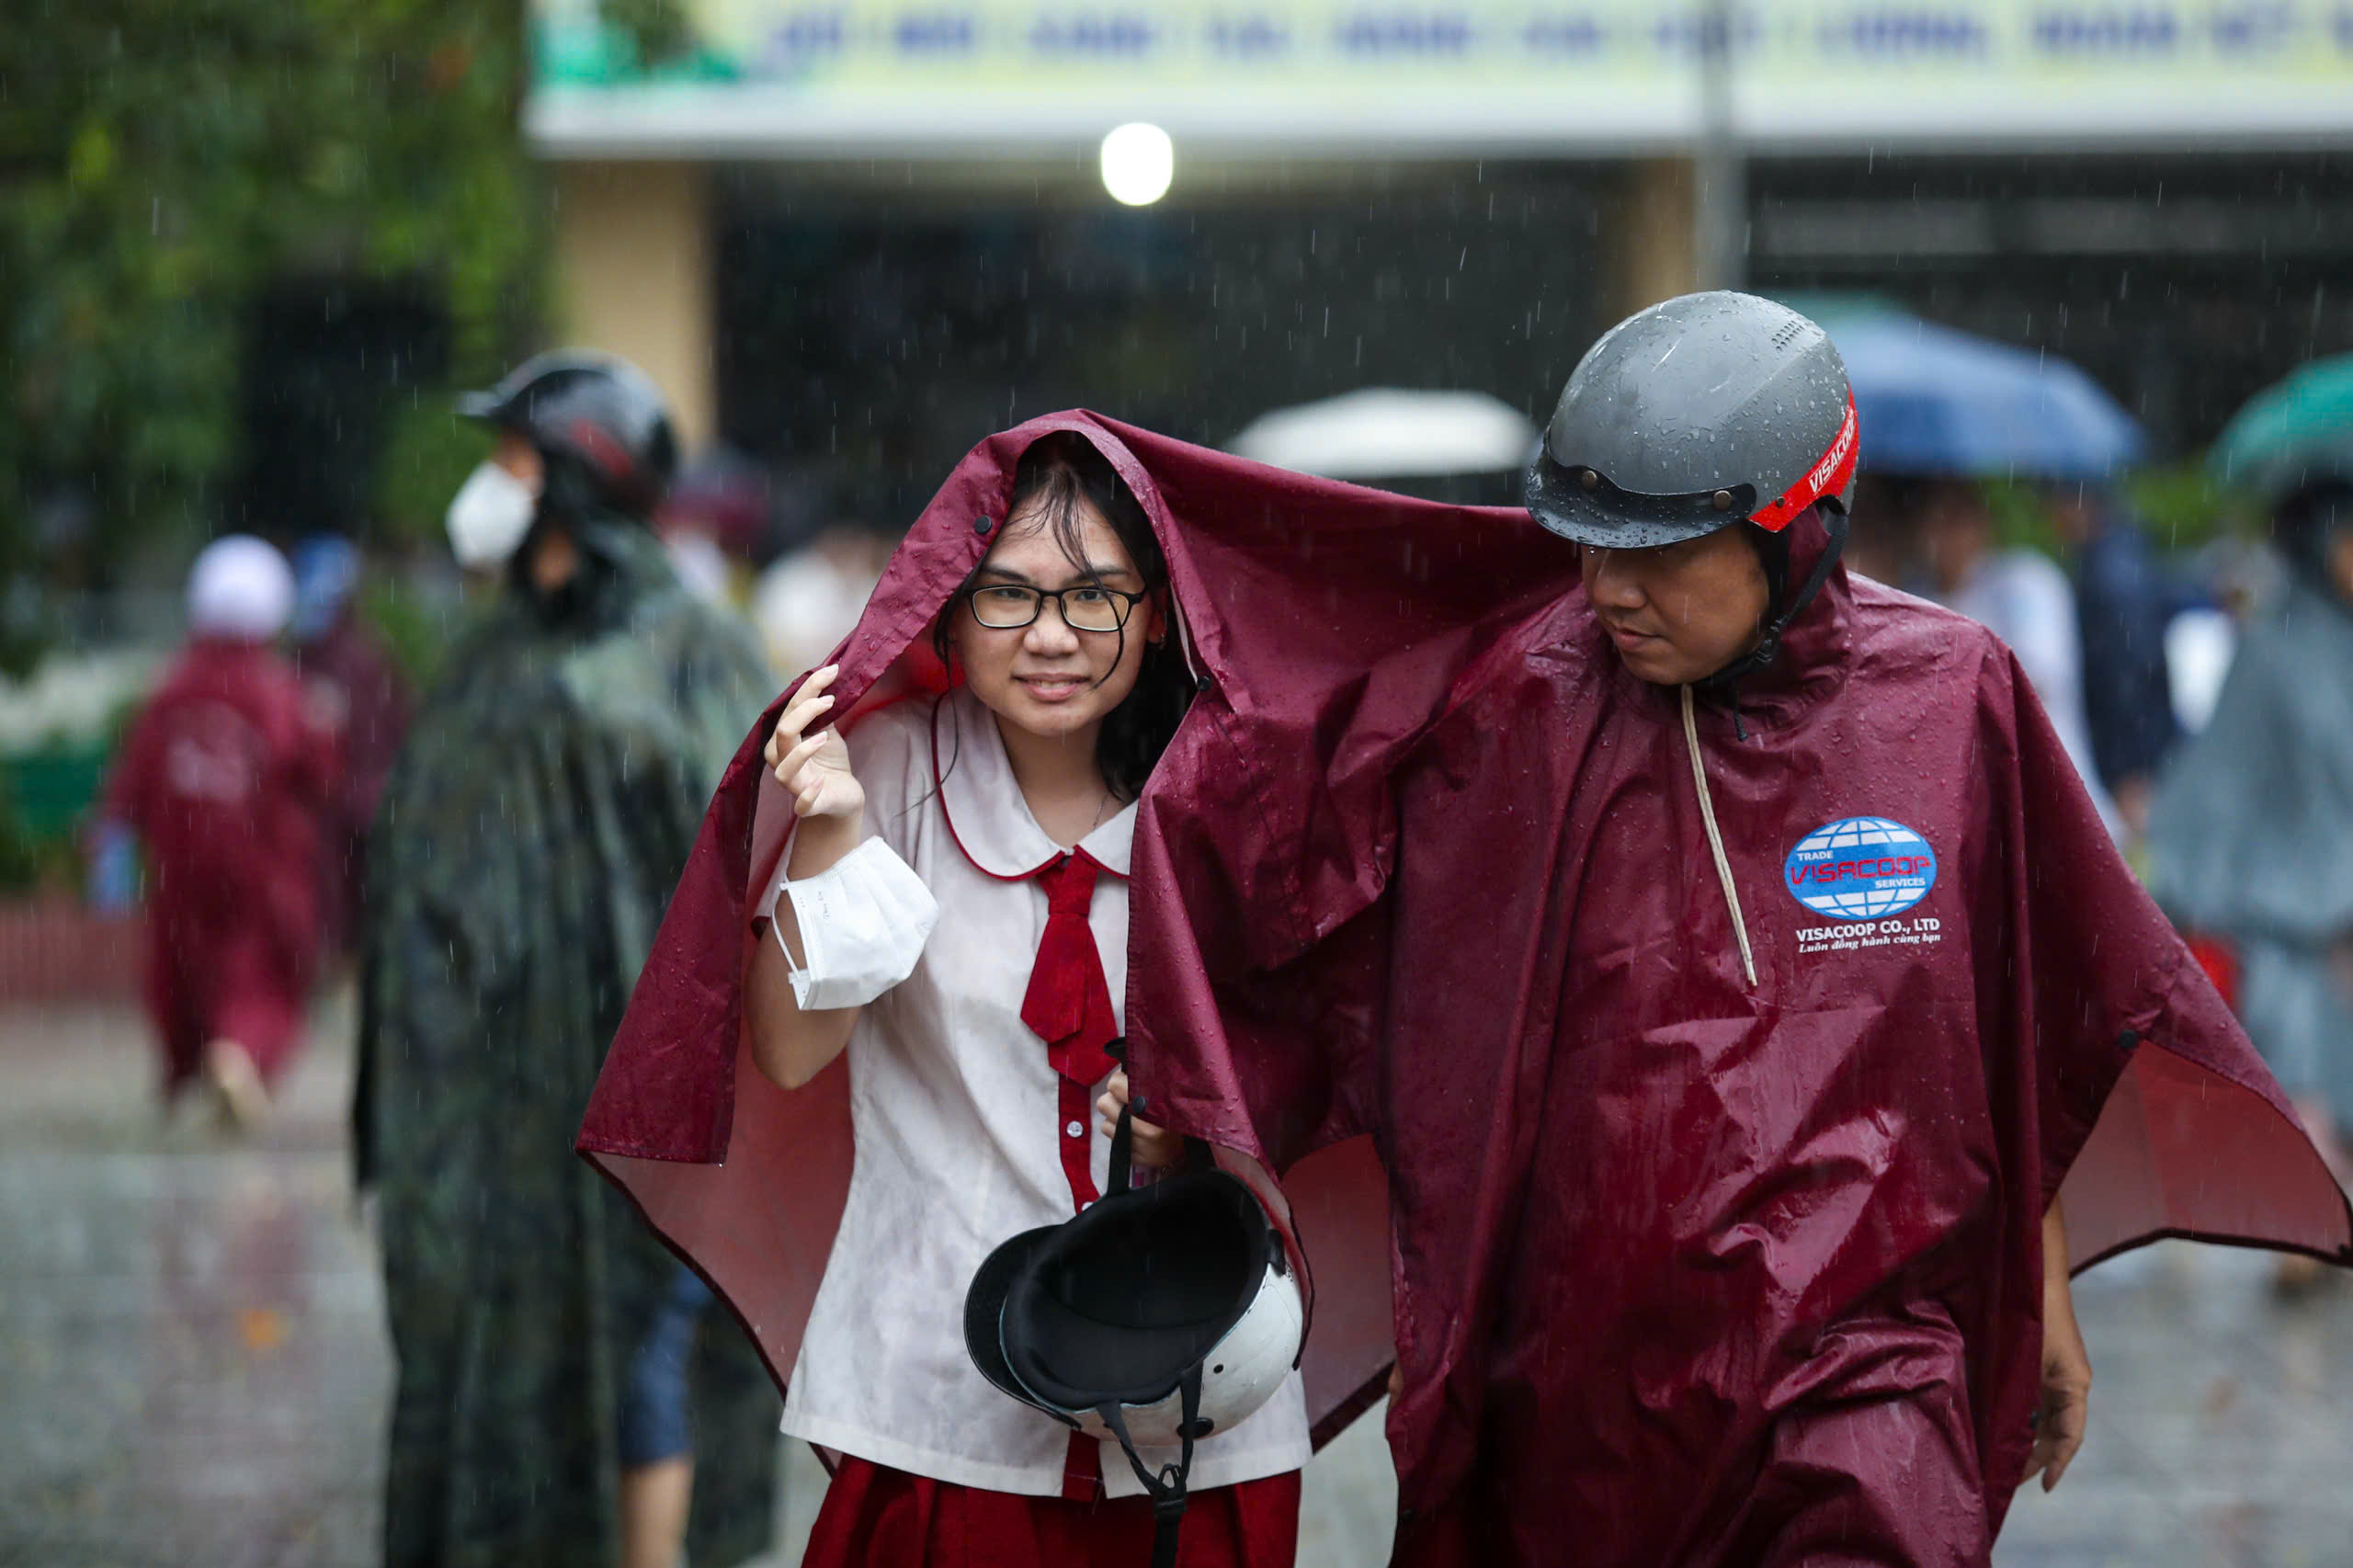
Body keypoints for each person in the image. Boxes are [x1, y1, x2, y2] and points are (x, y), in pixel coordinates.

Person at [1122, 294, 2352, 1566]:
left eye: (1657, 552)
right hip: (1580, 1385)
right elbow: (1330, 932)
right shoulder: (1513, 706)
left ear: (1793, 524)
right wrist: (1196, 1076)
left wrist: (2038, 1291)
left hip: (1875, 1374)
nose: (1607, 588)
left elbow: (2016, 1014)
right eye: (1589, 547)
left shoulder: (1954, 698)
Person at [756, 431, 1310, 1563]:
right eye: (1007, 593)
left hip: (1197, 1394)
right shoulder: (889, 768)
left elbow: (1322, 1048)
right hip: (936, 1406)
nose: (1052, 635)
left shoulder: (1228, 782)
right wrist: (830, 835)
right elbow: (788, 1050)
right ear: (946, 611)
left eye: (1096, 594)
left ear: (1159, 611)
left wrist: (1193, 1119)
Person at [356, 351, 780, 1568]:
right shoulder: (490, 655)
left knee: (636, 1359)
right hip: (469, 1112)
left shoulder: (688, 647)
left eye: (512, 460)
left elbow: (749, 857)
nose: (487, 486)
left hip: (616, 1095)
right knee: (467, 1346)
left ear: (576, 482)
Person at [2150, 478, 2353, 1266]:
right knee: (2303, 1072)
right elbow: (2226, 782)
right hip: (2289, 915)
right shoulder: (2273, 647)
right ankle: (2308, 1231)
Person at [98, 534, 336, 1128]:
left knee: (180, 968)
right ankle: (237, 1053)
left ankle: (188, 1066)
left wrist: (113, 832)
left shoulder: (170, 689)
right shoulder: (276, 691)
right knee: (257, 969)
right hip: (261, 865)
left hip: (178, 861)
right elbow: (316, 769)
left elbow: (133, 778)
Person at [1913, 475, 2123, 835]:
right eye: (1934, 522)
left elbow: (2033, 684)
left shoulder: (2026, 582)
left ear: (1983, 523)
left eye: (1955, 520)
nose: (1944, 537)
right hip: (1969, 813)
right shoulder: (1914, 596)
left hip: (2051, 793)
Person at [287, 533, 413, 954]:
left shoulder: (367, 660)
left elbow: (401, 730)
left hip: (360, 816)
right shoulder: (302, 660)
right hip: (334, 818)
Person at [2049, 485, 2185, 836]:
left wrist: (2130, 768)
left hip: (2133, 751)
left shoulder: (2110, 573)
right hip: (2146, 742)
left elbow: (2129, 668)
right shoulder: (2119, 553)